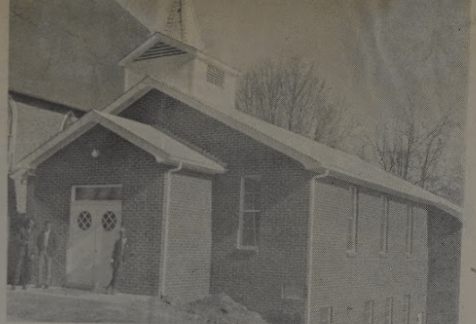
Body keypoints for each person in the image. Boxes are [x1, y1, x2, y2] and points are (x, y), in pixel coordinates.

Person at [12, 218, 35, 290]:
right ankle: (14, 284)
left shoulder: (33, 232)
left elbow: (34, 243)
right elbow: (17, 239)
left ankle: (24, 285)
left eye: (32, 224)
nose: (31, 225)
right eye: (30, 223)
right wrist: (23, 242)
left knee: (26, 268)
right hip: (22, 251)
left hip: (29, 253)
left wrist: (33, 253)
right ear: (27, 223)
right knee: (18, 267)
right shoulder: (22, 230)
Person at [105, 226, 129, 294]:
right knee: (115, 274)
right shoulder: (117, 242)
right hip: (116, 259)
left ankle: (109, 288)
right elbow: (114, 251)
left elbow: (128, 251)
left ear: (125, 234)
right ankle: (112, 290)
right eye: (121, 233)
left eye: (123, 233)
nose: (122, 235)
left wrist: (126, 259)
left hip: (121, 260)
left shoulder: (127, 242)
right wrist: (112, 259)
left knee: (116, 275)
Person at [36, 221, 57, 288]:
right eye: (46, 225)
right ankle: (39, 283)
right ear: (45, 226)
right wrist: (40, 247)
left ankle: (47, 284)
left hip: (49, 252)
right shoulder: (41, 233)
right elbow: (38, 242)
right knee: (40, 267)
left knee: (48, 268)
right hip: (42, 251)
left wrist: (52, 251)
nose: (48, 227)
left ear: (50, 226)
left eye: (49, 225)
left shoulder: (53, 234)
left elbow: (55, 244)